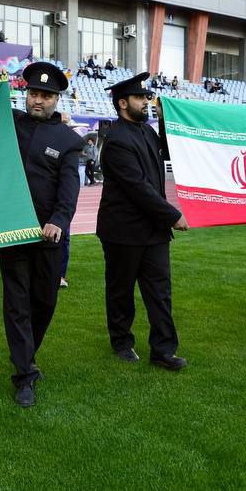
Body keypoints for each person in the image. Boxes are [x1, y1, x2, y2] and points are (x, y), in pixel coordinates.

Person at [0, 62, 82, 407]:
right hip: (13, 231)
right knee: (17, 303)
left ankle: (28, 355)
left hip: (48, 236)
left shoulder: (68, 141)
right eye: (33, 93)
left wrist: (59, 220)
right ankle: (24, 374)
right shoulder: (9, 123)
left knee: (44, 301)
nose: (38, 100)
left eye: (46, 95)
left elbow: (69, 189)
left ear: (56, 99)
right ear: (26, 94)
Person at [96, 73, 189, 370]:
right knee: (121, 291)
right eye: (140, 98)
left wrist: (163, 120)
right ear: (123, 103)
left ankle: (163, 351)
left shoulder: (146, 132)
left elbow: (168, 151)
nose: (146, 101)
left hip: (153, 231)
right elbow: (137, 187)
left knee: (160, 292)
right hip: (123, 231)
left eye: (147, 97)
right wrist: (172, 215)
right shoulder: (116, 141)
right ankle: (121, 341)